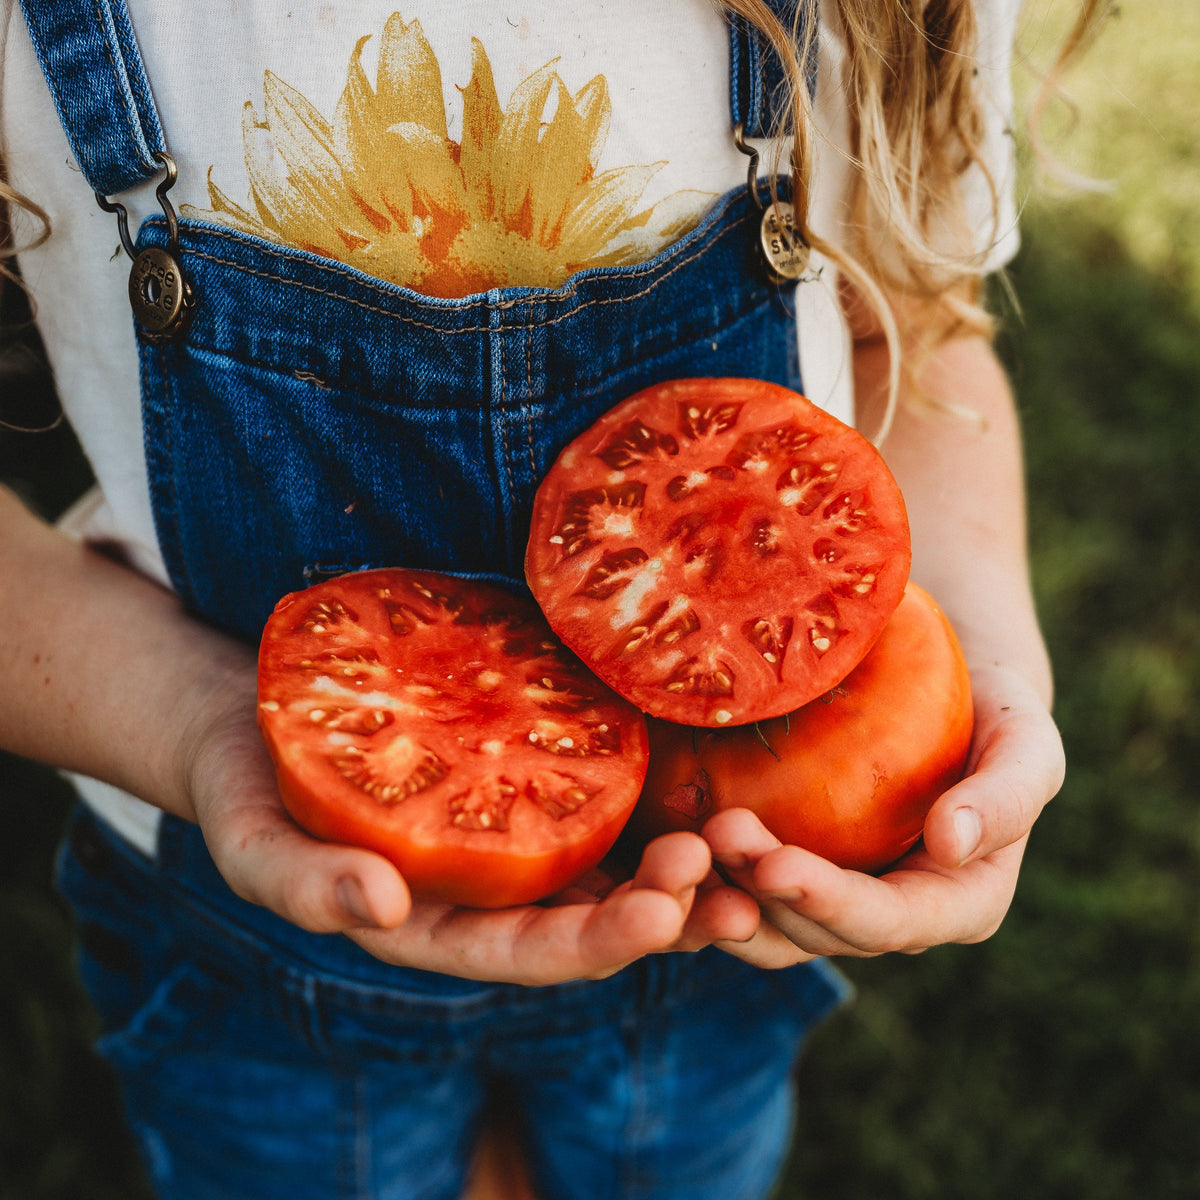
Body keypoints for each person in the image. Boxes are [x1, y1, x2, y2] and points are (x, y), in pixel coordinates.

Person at [0, 1, 1101, 1197]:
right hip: (245, 946)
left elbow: (915, 336)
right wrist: (190, 724)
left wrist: (982, 665)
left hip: (729, 907)